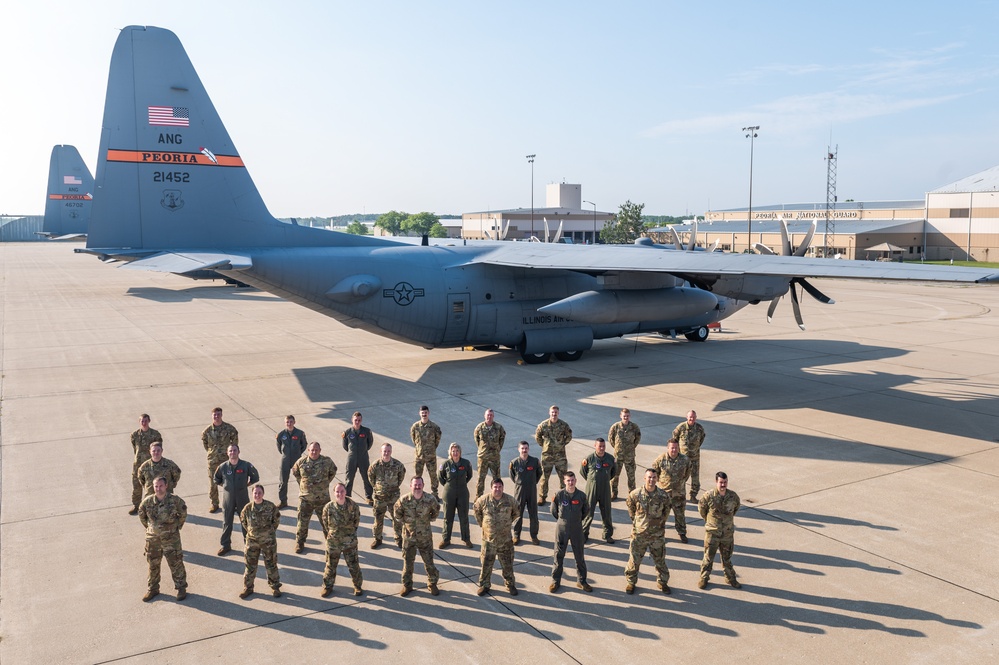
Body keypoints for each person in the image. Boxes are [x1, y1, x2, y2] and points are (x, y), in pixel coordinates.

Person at [138, 476, 188, 601]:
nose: (158, 489)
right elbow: (142, 516)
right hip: (153, 540)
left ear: (166, 486)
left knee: (176, 563)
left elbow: (183, 514)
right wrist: (151, 528)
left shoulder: (175, 501)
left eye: (161, 486)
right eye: (156, 486)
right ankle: (153, 589)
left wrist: (176, 527)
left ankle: (181, 588)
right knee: (153, 565)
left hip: (171, 540)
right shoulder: (147, 502)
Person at [625, 468, 672, 595]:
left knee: (660, 560)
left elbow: (666, 510)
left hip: (656, 535)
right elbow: (630, 507)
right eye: (649, 477)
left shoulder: (663, 496)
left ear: (657, 479)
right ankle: (631, 582)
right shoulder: (636, 494)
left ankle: (662, 582)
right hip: (639, 534)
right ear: (644, 478)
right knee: (634, 560)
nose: (651, 480)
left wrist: (660, 523)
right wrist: (637, 522)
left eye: (654, 477)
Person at [393, 476, 441, 597]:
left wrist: (426, 522)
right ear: (411, 486)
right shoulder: (403, 500)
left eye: (419, 485)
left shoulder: (430, 499)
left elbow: (435, 513)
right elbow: (397, 515)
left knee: (429, 562)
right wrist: (407, 524)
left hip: (425, 537)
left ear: (423, 485)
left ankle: (432, 583)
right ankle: (407, 585)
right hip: (409, 538)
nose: (417, 487)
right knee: (408, 562)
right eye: (415, 485)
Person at [472, 478, 520, 596]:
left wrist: (506, 524)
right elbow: (476, 512)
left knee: (507, 564)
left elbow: (516, 513)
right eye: (495, 487)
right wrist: (484, 525)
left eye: (500, 487)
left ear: (503, 488)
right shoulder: (483, 500)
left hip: (506, 540)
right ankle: (484, 585)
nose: (497, 489)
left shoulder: (510, 501)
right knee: (486, 565)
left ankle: (510, 584)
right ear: (491, 488)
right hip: (489, 541)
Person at [291, 441, 337, 553]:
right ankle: (300, 542)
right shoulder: (301, 462)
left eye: (316, 450)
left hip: (323, 499)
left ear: (320, 450)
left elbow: (333, 472)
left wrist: (324, 484)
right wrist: (303, 485)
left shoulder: (327, 461)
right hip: (305, 499)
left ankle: (330, 542)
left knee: (327, 522)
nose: (314, 452)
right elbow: (295, 473)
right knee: (302, 522)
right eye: (312, 450)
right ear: (308, 450)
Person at [698, 471, 742, 589]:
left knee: (727, 558)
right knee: (708, 557)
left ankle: (730, 578)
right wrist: (711, 523)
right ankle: (704, 578)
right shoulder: (709, 496)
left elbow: (736, 508)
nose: (723, 485)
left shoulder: (733, 496)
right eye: (721, 482)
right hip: (713, 533)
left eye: (725, 482)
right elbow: (702, 510)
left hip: (727, 534)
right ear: (716, 482)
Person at [213, 444, 259, 556]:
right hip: (228, 499)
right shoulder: (223, 467)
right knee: (227, 522)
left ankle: (248, 545)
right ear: (227, 453)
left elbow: (255, 477)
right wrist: (226, 487)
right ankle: (225, 545)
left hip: (242, 497)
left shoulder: (246, 465)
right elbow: (216, 479)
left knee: (245, 522)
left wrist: (246, 484)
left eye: (234, 450)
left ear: (239, 452)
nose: (232, 453)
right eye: (230, 451)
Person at [550, 471, 591, 593]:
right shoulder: (559, 495)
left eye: (572, 480)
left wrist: (575, 520)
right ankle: (555, 581)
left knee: (579, 556)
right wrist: (564, 521)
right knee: (558, 555)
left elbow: (585, 511)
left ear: (576, 481)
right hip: (562, 528)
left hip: (576, 528)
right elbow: (554, 511)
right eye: (568, 480)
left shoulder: (581, 496)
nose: (571, 482)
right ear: (564, 481)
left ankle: (582, 581)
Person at [239, 484, 282, 598]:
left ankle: (275, 587)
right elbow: (244, 521)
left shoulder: (270, 507)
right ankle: (248, 588)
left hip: (268, 542)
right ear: (252, 494)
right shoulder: (247, 508)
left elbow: (276, 520)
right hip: (252, 542)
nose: (257, 495)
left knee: (271, 564)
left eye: (259, 493)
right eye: (255, 493)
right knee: (250, 566)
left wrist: (269, 533)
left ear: (263, 494)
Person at [321, 482, 363, 597]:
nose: (340, 494)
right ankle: (327, 587)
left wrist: (349, 534)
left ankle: (357, 586)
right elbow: (325, 524)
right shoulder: (328, 507)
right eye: (337, 492)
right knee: (330, 566)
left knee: (354, 565)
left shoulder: (353, 506)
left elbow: (356, 522)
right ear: (334, 493)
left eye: (342, 491)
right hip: (333, 542)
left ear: (346, 492)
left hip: (349, 542)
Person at [651, 439, 691, 543]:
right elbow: (655, 472)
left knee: (680, 515)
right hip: (665, 494)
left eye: (676, 447)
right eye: (672, 447)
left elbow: (687, 473)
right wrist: (662, 483)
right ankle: (659, 534)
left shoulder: (685, 460)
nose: (674, 450)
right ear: (668, 448)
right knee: (662, 515)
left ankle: (682, 533)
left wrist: (680, 483)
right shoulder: (661, 459)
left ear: (679, 448)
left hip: (679, 493)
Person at [367, 443, 406, 548]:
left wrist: (394, 486)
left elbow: (401, 476)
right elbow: (371, 478)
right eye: (384, 451)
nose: (386, 453)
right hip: (380, 498)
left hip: (393, 497)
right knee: (378, 519)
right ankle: (377, 539)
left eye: (388, 451)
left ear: (391, 452)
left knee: (397, 519)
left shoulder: (398, 465)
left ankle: (398, 538)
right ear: (381, 452)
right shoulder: (375, 465)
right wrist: (378, 488)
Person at [580, 437, 616, 544]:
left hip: (605, 488)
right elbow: (583, 472)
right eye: (599, 446)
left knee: (606, 512)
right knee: (588, 512)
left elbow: (613, 471)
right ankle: (584, 534)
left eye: (603, 446)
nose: (602, 448)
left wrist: (604, 480)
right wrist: (592, 481)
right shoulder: (589, 459)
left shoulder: (610, 458)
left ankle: (607, 535)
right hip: (591, 489)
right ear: (595, 446)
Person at [202, 407, 238, 513]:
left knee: (229, 483)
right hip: (212, 460)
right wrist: (212, 453)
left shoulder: (229, 428)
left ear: (221, 415)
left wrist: (230, 454)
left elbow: (235, 442)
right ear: (212, 416)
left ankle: (232, 503)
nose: (216, 417)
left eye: (218, 414)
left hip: (226, 460)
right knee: (213, 483)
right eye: (215, 415)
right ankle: (214, 504)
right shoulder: (207, 431)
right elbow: (205, 444)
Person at [438, 442, 473, 549]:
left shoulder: (466, 463)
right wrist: (449, 486)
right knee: (448, 517)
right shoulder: (445, 464)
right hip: (449, 493)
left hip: (463, 492)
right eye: (453, 451)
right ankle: (446, 539)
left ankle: (466, 539)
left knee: (464, 517)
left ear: (460, 452)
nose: (455, 453)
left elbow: (469, 476)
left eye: (457, 451)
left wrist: (461, 484)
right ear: (450, 452)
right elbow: (441, 478)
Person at [535, 405, 572, 505]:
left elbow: (569, 436)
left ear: (558, 413)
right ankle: (542, 496)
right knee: (544, 477)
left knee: (563, 477)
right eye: (552, 412)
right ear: (549, 413)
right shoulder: (543, 425)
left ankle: (564, 496)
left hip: (560, 456)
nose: (554, 414)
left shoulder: (563, 425)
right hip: (547, 456)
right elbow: (538, 436)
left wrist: (561, 444)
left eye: (555, 412)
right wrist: (545, 445)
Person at [508, 440, 541, 545]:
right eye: (522, 448)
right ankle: (516, 535)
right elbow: (512, 476)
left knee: (533, 514)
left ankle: (534, 536)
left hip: (531, 490)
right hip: (520, 490)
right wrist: (519, 483)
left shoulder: (534, 461)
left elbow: (539, 473)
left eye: (526, 448)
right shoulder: (514, 463)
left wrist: (532, 482)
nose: (524, 450)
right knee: (518, 513)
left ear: (528, 449)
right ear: (518, 449)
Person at [129, 414, 162, 514]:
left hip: (151, 465)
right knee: (136, 485)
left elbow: (158, 449)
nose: (144, 423)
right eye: (142, 421)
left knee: (152, 487)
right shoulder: (134, 435)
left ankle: (153, 507)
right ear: (139, 422)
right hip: (138, 465)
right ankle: (136, 506)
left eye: (146, 421)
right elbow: (135, 448)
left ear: (149, 421)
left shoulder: (155, 434)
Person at [608, 408, 641, 501]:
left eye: (627, 416)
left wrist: (631, 447)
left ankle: (632, 494)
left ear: (629, 416)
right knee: (615, 475)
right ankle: (614, 493)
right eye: (624, 416)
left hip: (630, 456)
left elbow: (637, 438)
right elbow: (611, 438)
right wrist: (617, 448)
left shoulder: (634, 427)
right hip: (618, 456)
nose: (625, 418)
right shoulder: (615, 427)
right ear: (620, 416)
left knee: (631, 476)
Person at [341, 411, 374, 505]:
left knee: (367, 477)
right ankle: (347, 496)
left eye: (359, 420)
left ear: (361, 420)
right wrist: (353, 452)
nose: (357, 422)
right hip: (352, 457)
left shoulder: (367, 431)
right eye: (355, 420)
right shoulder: (347, 432)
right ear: (352, 420)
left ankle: (369, 497)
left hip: (363, 457)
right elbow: (345, 446)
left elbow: (369, 443)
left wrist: (362, 451)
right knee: (349, 477)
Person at [473, 408, 506, 499]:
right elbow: (477, 439)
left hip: (494, 457)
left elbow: (502, 438)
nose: (489, 417)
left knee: (497, 478)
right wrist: (482, 449)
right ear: (484, 416)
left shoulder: (499, 427)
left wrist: (497, 448)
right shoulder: (479, 427)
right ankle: (479, 497)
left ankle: (498, 496)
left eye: (491, 415)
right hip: (483, 457)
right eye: (488, 415)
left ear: (493, 416)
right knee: (480, 478)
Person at [673, 410, 706, 501]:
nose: (692, 419)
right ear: (687, 417)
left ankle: (693, 495)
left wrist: (694, 449)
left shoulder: (699, 428)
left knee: (695, 478)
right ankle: (680, 495)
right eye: (690, 417)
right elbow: (675, 439)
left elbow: (702, 438)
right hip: (683, 458)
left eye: (693, 417)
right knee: (682, 477)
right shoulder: (681, 427)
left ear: (696, 418)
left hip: (695, 458)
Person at [276, 415, 307, 509]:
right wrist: (286, 454)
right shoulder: (281, 435)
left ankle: (304, 502)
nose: (289, 424)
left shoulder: (300, 433)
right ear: (285, 423)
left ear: (294, 422)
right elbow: (279, 446)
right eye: (287, 422)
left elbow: (304, 445)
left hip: (297, 460)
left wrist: (297, 453)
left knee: (301, 481)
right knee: (283, 481)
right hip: (285, 460)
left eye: (291, 422)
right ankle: (283, 501)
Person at [410, 406, 442, 498]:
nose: (424, 414)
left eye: (426, 413)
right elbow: (414, 439)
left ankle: (435, 493)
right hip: (419, 457)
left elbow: (437, 440)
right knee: (417, 477)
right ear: (419, 413)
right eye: (422, 413)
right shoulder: (415, 427)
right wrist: (419, 449)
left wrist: (431, 448)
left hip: (431, 456)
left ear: (429, 413)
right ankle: (417, 493)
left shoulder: (434, 427)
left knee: (433, 476)